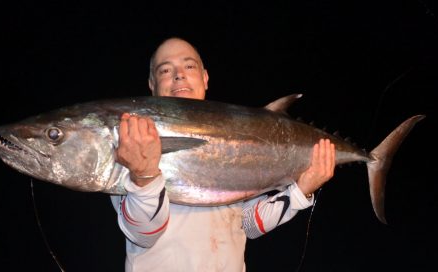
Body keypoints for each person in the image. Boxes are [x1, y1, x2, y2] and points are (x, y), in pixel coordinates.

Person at [110, 37, 336, 272]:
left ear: (205, 78)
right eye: (165, 70)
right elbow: (144, 234)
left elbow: (246, 223)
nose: (178, 74)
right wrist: (143, 175)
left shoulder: (233, 140)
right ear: (152, 84)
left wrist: (301, 192)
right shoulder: (132, 140)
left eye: (189, 66)